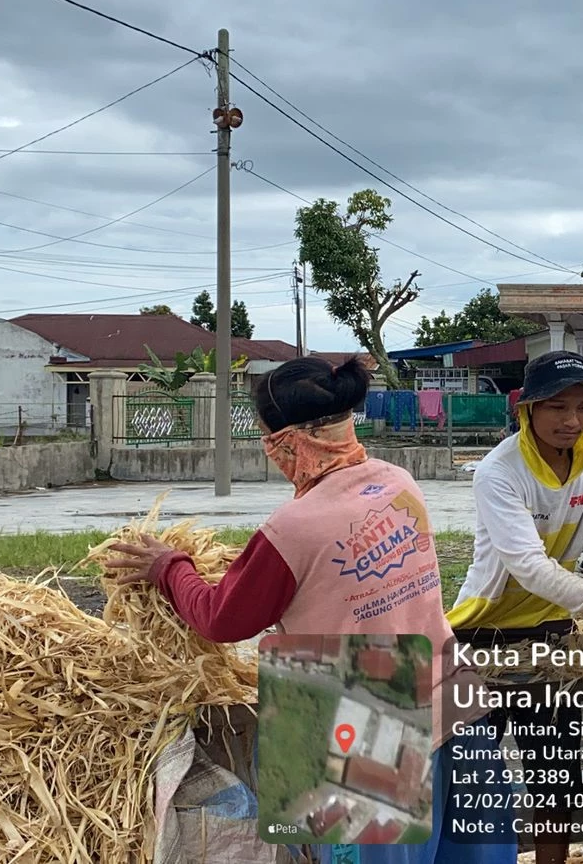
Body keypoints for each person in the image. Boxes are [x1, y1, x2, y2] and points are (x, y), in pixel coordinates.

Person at [103, 356, 515, 864]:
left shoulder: (294, 526)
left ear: (288, 440)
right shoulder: (396, 481)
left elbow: (219, 619)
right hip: (456, 706)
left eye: (265, 436)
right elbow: (336, 574)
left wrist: (169, 567)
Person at [447, 350, 583, 864]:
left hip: (550, 633)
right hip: (484, 636)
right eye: (556, 407)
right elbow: (527, 566)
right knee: (471, 775)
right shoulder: (498, 472)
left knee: (555, 774)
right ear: (527, 410)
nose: (572, 421)